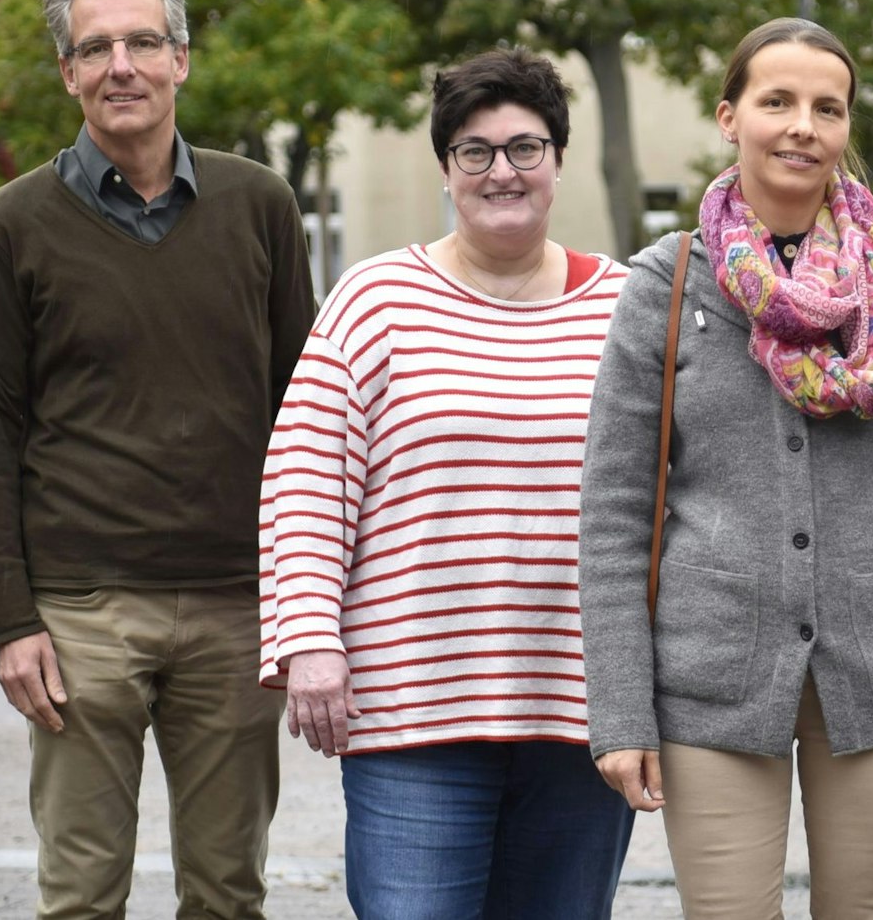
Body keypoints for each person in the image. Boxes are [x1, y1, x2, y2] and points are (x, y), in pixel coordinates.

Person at [578, 17, 873, 919]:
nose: (802, 125)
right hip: (711, 680)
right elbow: (614, 517)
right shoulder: (664, 289)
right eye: (777, 101)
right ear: (731, 116)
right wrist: (620, 713)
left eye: (828, 107)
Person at [0, 0, 316, 919]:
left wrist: (309, 597)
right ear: (67, 72)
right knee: (79, 897)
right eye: (95, 46)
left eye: (143, 42)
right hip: (79, 614)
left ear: (181, 59)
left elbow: (305, 409)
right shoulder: (11, 226)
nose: (122, 65)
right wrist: (9, 619)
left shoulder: (261, 208)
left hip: (240, 608)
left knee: (229, 895)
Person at [258, 47, 635, 919]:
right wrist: (311, 637)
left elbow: (674, 491)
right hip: (412, 712)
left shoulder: (625, 306)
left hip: (583, 710)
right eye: (476, 151)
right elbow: (308, 481)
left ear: (558, 160)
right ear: (446, 168)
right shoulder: (375, 300)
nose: (502, 170)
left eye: (525, 147)